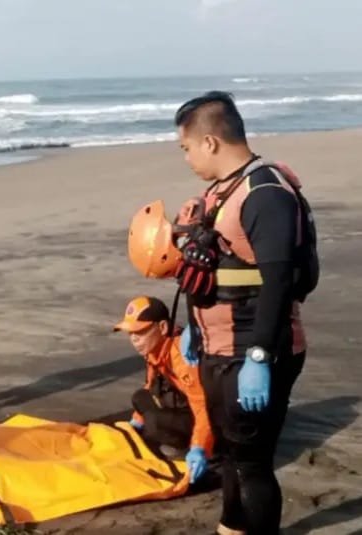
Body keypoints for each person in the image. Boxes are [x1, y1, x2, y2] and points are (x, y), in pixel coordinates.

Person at [171, 91, 316, 535]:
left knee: (252, 461)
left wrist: (259, 358)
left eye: (186, 147)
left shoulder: (265, 193)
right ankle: (231, 529)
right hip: (218, 347)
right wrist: (194, 327)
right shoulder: (219, 192)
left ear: (210, 142)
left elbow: (278, 280)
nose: (188, 158)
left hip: (255, 348)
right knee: (230, 452)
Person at [113, 296, 213, 485]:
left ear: (162, 328)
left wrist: (200, 447)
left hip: (213, 413)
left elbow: (204, 406)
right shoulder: (153, 349)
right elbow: (150, 384)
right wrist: (135, 424)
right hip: (187, 406)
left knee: (155, 424)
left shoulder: (183, 359)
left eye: (140, 332)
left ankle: (201, 451)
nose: (134, 339)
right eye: (130, 333)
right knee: (140, 399)